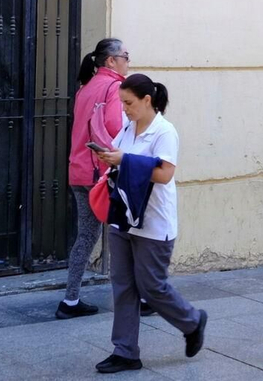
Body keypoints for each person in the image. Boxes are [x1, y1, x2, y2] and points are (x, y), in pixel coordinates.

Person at [91, 75, 206, 374]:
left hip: (155, 224)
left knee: (152, 287)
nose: (125, 109)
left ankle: (192, 321)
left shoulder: (164, 132)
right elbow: (119, 159)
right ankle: (125, 351)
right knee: (123, 287)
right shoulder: (128, 128)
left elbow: (165, 173)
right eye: (122, 104)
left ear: (146, 100)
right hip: (124, 220)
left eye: (128, 103)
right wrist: (109, 157)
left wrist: (124, 159)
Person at [59, 38, 130, 320]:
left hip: (79, 171)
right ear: (111, 60)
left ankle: (70, 299)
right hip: (103, 172)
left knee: (86, 236)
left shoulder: (85, 88)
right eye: (125, 55)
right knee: (126, 234)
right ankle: (142, 296)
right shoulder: (114, 87)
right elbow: (115, 129)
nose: (128, 60)